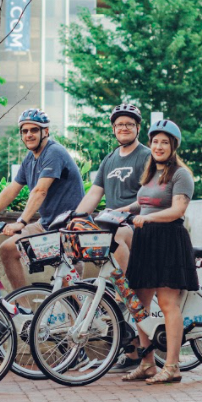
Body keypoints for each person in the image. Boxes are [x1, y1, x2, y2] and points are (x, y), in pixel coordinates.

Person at [121, 119, 199, 385]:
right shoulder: (151, 173)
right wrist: (123, 211)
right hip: (146, 240)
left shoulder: (181, 174)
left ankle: (173, 366)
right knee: (139, 307)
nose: (159, 146)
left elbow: (177, 210)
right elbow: (144, 202)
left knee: (167, 305)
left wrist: (149, 219)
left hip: (168, 241)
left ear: (173, 146)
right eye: (155, 141)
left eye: (165, 142)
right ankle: (147, 364)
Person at [75, 103, 151, 373]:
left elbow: (147, 198)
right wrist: (75, 216)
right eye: (119, 125)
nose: (124, 128)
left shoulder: (146, 156)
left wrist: (117, 211)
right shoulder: (110, 159)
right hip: (112, 223)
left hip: (135, 225)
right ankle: (130, 350)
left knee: (118, 239)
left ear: (138, 128)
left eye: (129, 124)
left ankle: (125, 289)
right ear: (113, 129)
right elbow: (94, 194)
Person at [0, 108, 84, 290]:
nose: (29, 135)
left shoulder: (54, 153)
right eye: (25, 131)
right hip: (47, 226)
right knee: (7, 249)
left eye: (34, 130)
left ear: (46, 132)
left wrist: (21, 222)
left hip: (68, 229)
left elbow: (39, 191)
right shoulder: (30, 158)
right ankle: (23, 309)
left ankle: (85, 312)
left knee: (70, 293)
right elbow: (11, 190)